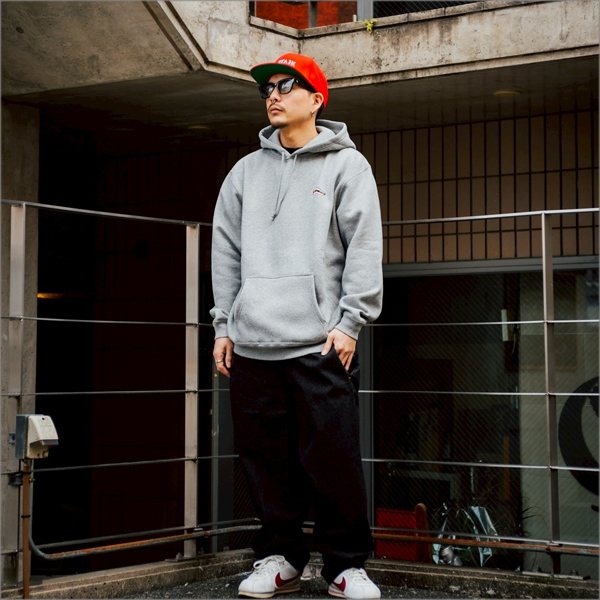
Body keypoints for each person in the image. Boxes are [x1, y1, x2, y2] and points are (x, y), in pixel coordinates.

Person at [210, 52, 383, 600]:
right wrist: (223, 324)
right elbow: (225, 251)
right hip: (253, 343)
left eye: (287, 86)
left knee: (333, 459)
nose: (274, 95)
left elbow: (364, 247)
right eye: (268, 88)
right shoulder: (245, 171)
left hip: (320, 342)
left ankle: (345, 566)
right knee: (264, 461)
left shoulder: (347, 166)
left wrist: (351, 322)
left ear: (316, 99)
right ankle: (279, 557)